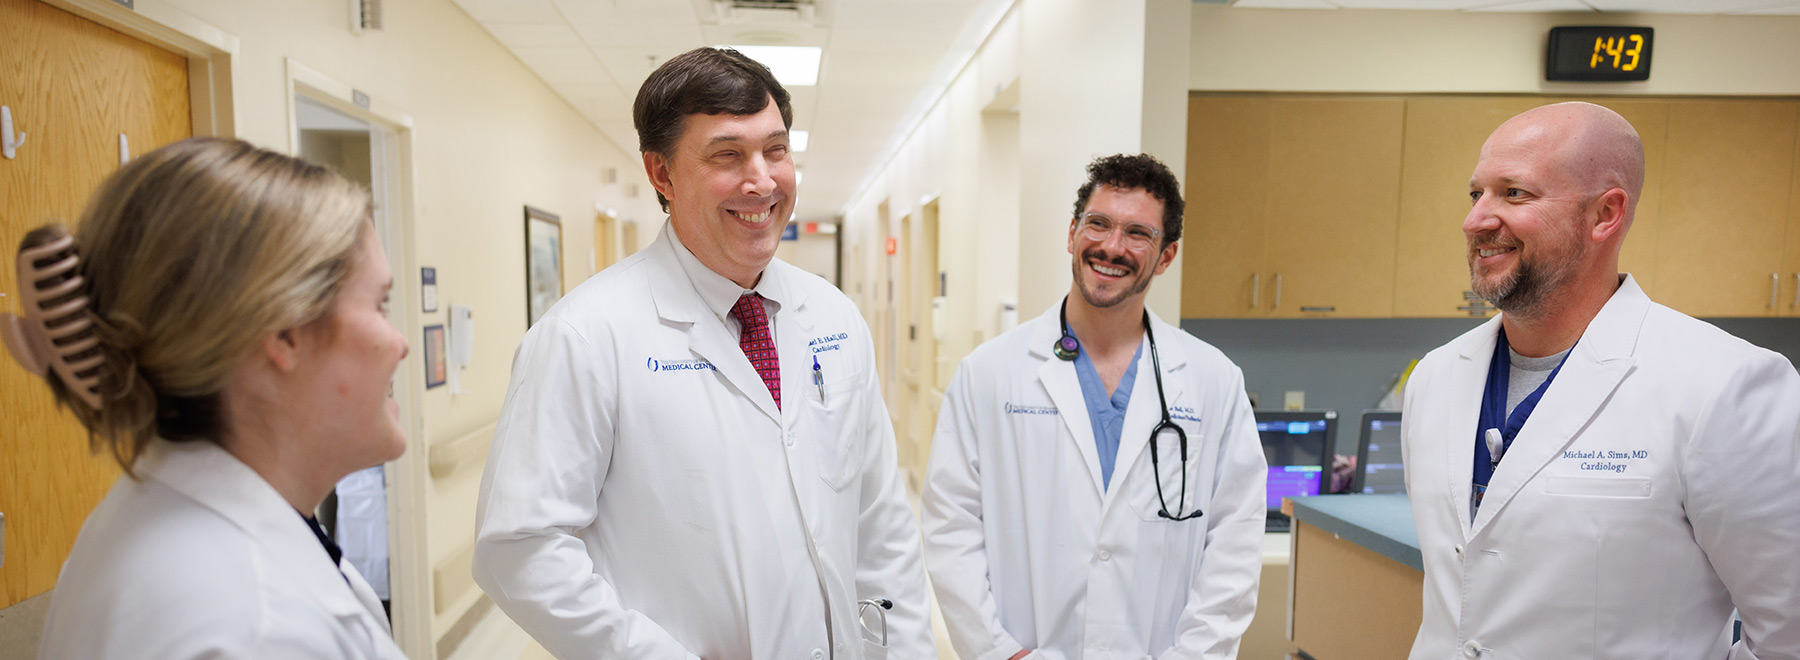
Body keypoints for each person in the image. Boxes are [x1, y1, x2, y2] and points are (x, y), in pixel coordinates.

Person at [472, 47, 931, 660]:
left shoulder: (833, 317)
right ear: (660, 173)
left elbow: (880, 523)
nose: (762, 180)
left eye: (775, 149)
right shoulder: (584, 337)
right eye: (727, 155)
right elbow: (521, 548)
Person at [1402, 102, 1800, 659]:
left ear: (1605, 214)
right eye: (1477, 194)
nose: (1476, 221)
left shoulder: (1725, 386)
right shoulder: (1436, 377)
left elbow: (1789, 634)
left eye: (1515, 193)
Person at [3, 137, 410, 659]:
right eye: (380, 304)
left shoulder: (159, 521)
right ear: (284, 329)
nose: (400, 344)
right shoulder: (257, 631)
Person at [922, 154, 1268, 660]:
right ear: (1071, 233)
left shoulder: (1211, 379)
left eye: (1138, 234)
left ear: (1167, 256)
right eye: (1098, 224)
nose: (1111, 246)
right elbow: (951, 527)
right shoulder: (990, 373)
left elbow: (1235, 538)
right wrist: (999, 652)